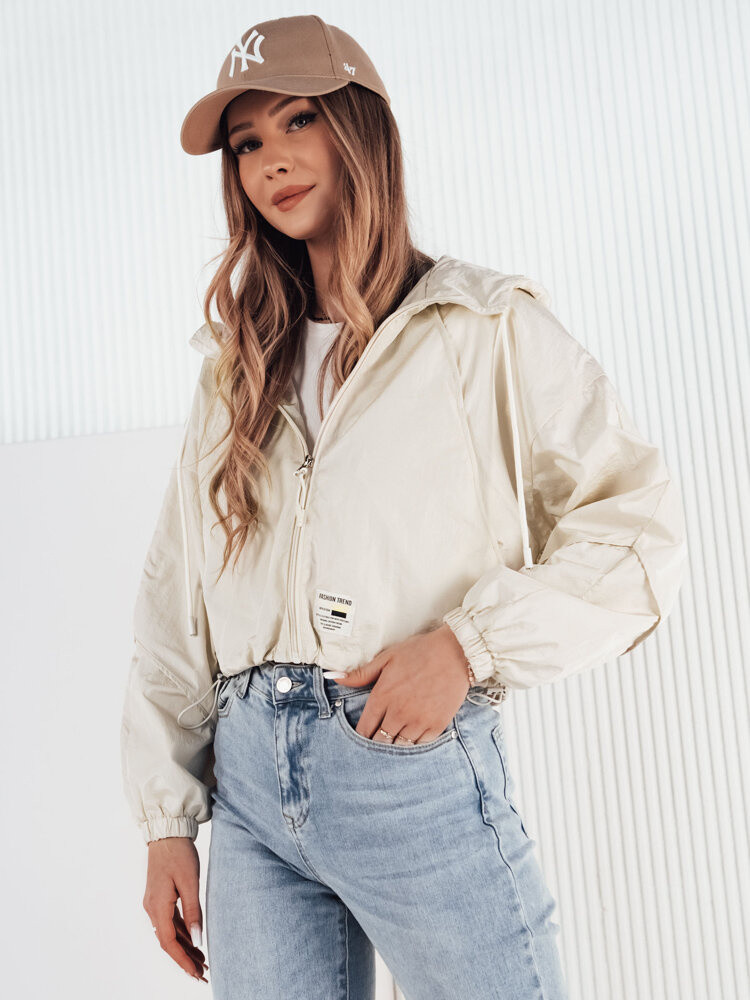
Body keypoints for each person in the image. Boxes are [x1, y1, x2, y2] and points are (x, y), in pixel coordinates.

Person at [120, 14, 688, 999]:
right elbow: (177, 597)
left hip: (408, 769)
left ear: (360, 128)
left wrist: (468, 645)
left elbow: (638, 530)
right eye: (246, 143)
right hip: (249, 796)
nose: (270, 160)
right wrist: (165, 820)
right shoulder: (235, 368)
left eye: (298, 120)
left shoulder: (481, 326)